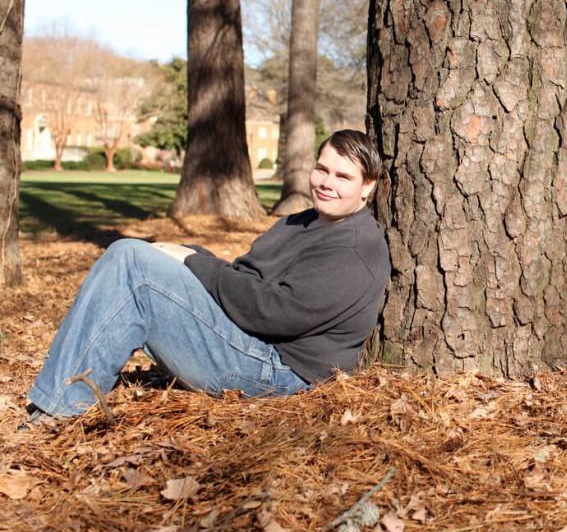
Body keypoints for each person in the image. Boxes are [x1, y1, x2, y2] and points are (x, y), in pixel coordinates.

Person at [26, 129, 390, 422]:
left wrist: (194, 263)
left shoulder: (355, 248)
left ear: (367, 186)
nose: (327, 182)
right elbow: (243, 276)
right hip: (250, 343)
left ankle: (57, 410)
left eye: (343, 176)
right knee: (136, 254)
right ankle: (63, 396)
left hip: (279, 374)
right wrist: (190, 255)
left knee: (132, 265)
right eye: (322, 169)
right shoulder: (300, 222)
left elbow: (272, 312)